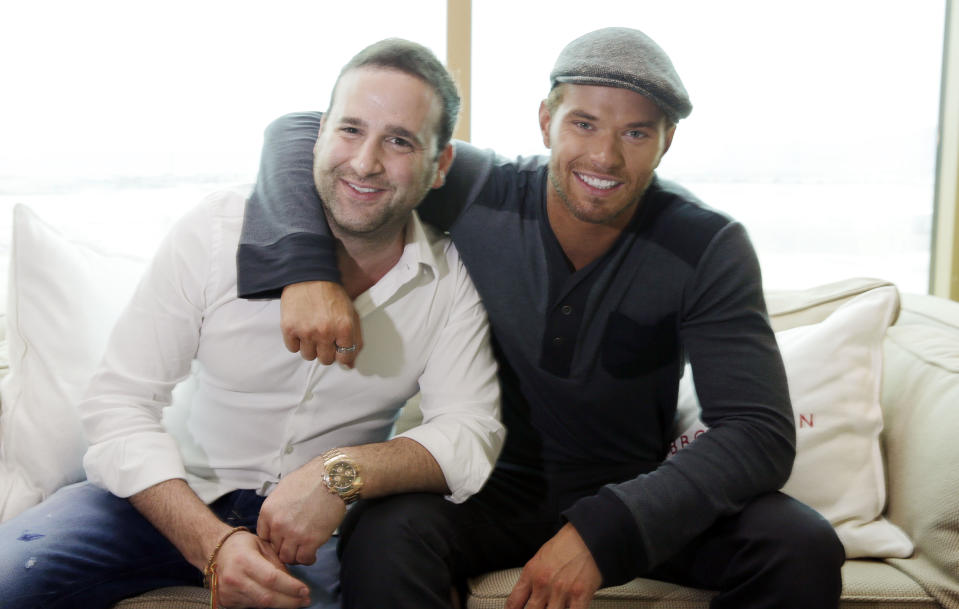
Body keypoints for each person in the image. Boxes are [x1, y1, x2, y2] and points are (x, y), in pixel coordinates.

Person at [237, 27, 845, 609]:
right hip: (486, 489)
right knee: (383, 532)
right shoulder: (481, 189)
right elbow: (296, 131)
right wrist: (306, 271)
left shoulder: (707, 244)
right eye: (584, 123)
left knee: (800, 546)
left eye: (636, 133)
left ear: (667, 141)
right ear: (546, 121)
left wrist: (602, 532)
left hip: (632, 487)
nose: (604, 156)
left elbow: (758, 435)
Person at [0, 39, 504, 609]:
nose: (365, 162)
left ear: (439, 167)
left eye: (399, 141)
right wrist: (210, 543)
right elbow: (118, 403)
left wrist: (338, 473)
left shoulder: (448, 279)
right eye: (350, 130)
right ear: (317, 135)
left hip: (319, 530)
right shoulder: (216, 230)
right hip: (157, 500)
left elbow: (469, 435)